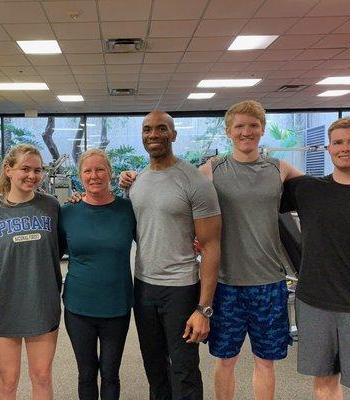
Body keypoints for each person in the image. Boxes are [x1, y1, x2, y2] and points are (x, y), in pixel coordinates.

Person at [121, 101, 302, 400]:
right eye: (240, 126)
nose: (246, 132)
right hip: (226, 283)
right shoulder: (210, 171)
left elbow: (321, 192)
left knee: (264, 362)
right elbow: (169, 189)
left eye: (253, 126)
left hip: (268, 280)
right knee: (224, 360)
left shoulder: (278, 168)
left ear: (262, 129)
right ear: (229, 131)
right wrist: (130, 177)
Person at [281, 116, 350, 400]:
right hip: (314, 301)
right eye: (338, 142)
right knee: (324, 384)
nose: (344, 148)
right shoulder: (308, 190)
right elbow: (253, 201)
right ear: (328, 148)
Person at [127, 110, 221, 399]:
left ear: (174, 134)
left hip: (180, 288)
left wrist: (204, 308)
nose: (153, 135)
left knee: (184, 369)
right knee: (154, 367)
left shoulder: (194, 181)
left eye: (161, 129)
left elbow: (211, 246)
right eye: (147, 129)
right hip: (143, 286)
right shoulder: (138, 181)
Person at [0, 144, 62, 400]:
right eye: (25, 168)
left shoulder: (52, 206)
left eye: (38, 170)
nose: (32, 175)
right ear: (8, 170)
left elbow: (61, 247)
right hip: (3, 304)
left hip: (42, 302)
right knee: (7, 381)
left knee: (42, 376)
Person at [59, 149, 136, 400]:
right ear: (80, 176)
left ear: (110, 173)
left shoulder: (128, 210)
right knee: (86, 373)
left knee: (111, 374)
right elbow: (51, 252)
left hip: (117, 305)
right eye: (88, 171)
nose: (94, 175)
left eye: (100, 169)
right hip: (78, 307)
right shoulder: (67, 213)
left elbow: (156, 237)